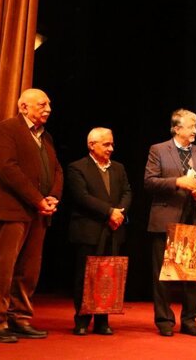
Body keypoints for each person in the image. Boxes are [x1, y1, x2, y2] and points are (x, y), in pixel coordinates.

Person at [0, 89, 63, 343]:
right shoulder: (8, 129)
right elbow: (8, 169)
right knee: (3, 268)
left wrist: (53, 196)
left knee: (28, 270)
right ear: (24, 107)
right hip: (13, 210)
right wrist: (37, 199)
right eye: (42, 104)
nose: (48, 108)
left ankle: (19, 317)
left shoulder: (46, 136)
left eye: (49, 104)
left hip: (39, 213)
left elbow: (57, 170)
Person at [144, 109, 196, 337]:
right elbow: (149, 181)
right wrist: (177, 182)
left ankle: (189, 320)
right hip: (166, 219)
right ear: (177, 128)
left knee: (192, 276)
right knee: (163, 275)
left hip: (194, 220)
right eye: (191, 126)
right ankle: (164, 320)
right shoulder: (158, 150)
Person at [66, 127, 132, 336]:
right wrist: (109, 212)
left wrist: (119, 213)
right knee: (86, 277)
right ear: (91, 145)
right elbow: (81, 197)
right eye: (106, 144)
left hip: (113, 230)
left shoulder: (118, 168)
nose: (111, 148)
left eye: (112, 144)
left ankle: (103, 321)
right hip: (89, 230)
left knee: (108, 276)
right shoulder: (77, 168)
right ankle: (82, 320)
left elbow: (127, 192)